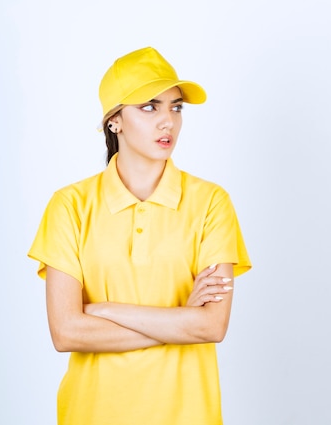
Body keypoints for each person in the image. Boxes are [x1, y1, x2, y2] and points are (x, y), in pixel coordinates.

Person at [28, 46, 252, 425]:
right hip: (92, 413)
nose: (167, 121)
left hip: (188, 415)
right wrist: (180, 321)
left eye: (176, 107)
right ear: (114, 120)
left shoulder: (212, 203)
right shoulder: (69, 206)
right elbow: (66, 332)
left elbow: (210, 326)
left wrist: (104, 311)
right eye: (150, 106)